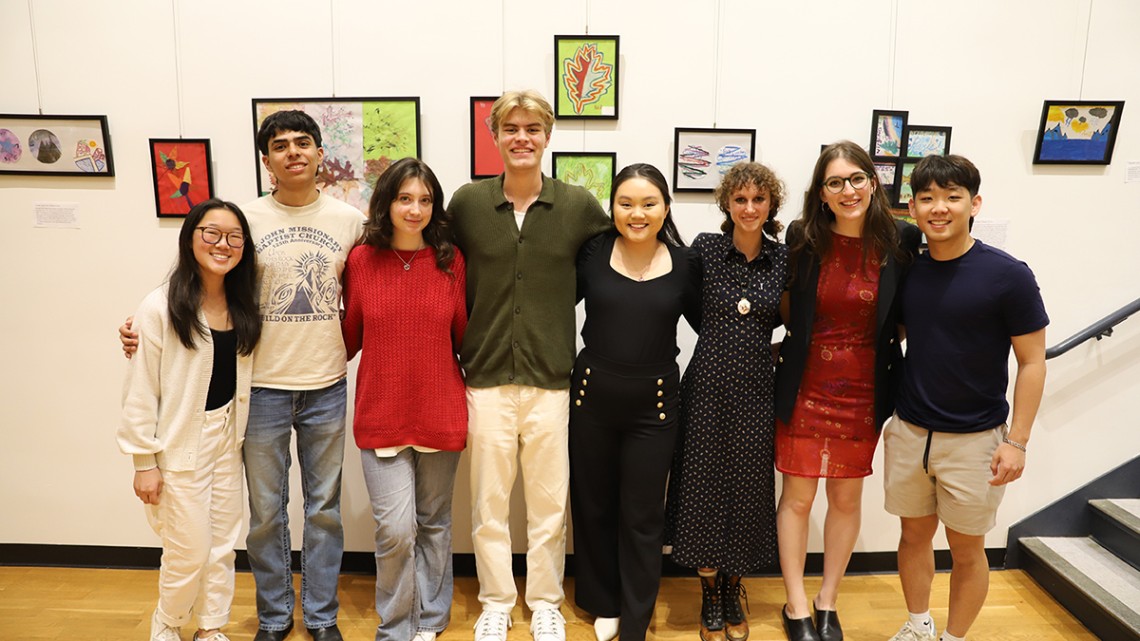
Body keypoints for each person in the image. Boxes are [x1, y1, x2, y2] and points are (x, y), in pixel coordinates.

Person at [122, 110, 365, 641]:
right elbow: (204, 279)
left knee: (322, 510)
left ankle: (322, 618)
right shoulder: (246, 220)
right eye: (281, 145)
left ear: (321, 154)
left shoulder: (350, 221)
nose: (294, 152)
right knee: (263, 514)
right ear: (267, 160)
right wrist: (143, 326)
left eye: (304, 143)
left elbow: (372, 295)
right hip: (260, 392)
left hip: (326, 385)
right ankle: (275, 618)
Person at [445, 89, 611, 641]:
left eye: (533, 129)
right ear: (494, 136)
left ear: (547, 136)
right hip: (486, 378)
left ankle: (544, 602)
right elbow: (439, 269)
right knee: (488, 505)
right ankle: (495, 601)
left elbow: (611, 266)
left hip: (552, 380)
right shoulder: (468, 205)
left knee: (548, 505)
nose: (522, 137)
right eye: (511, 128)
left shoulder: (579, 206)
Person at [884, 154, 1047, 641]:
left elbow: (1033, 360)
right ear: (911, 208)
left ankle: (953, 637)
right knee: (913, 536)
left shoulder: (1008, 275)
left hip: (976, 439)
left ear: (973, 204)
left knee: (967, 549)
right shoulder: (909, 272)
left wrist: (1016, 441)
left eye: (952, 197)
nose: (939, 208)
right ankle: (918, 626)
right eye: (927, 198)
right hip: (911, 431)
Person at [773, 140, 919, 641]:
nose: (848, 190)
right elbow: (790, 308)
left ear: (872, 182)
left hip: (864, 389)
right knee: (796, 499)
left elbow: (902, 317)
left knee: (846, 500)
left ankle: (827, 600)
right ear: (822, 194)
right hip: (805, 387)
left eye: (856, 178)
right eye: (835, 182)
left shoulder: (901, 240)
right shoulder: (804, 238)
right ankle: (795, 606)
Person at [118, 199, 261, 641]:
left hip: (227, 437)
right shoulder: (159, 307)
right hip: (180, 442)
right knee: (188, 547)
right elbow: (140, 390)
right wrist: (144, 461)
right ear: (191, 238)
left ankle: (211, 627)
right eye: (211, 233)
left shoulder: (243, 304)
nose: (223, 244)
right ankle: (168, 621)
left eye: (234, 236)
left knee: (222, 546)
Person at [569, 163, 701, 641]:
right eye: (626, 203)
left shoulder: (686, 264)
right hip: (591, 399)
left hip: (657, 406)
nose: (637, 213)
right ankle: (603, 601)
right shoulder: (592, 253)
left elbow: (713, 327)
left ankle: (636, 615)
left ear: (665, 207)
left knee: (643, 515)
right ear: (613, 209)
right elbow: (553, 302)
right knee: (594, 504)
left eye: (649, 204)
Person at [341, 158, 467, 641]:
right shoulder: (361, 261)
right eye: (405, 198)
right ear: (387, 202)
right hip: (381, 412)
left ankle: (431, 622)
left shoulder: (450, 261)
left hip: (440, 410)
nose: (415, 209)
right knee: (395, 530)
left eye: (425, 200)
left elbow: (465, 338)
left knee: (434, 523)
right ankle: (396, 626)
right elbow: (346, 337)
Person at [665, 162, 790, 641]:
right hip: (707, 387)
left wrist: (766, 349)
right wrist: (725, 343)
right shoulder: (706, 250)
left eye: (759, 199)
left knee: (748, 490)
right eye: (740, 199)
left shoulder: (782, 259)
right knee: (701, 486)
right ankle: (708, 594)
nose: (750, 208)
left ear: (771, 204)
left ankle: (734, 586)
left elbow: (789, 320)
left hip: (758, 390)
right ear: (727, 204)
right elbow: (691, 308)